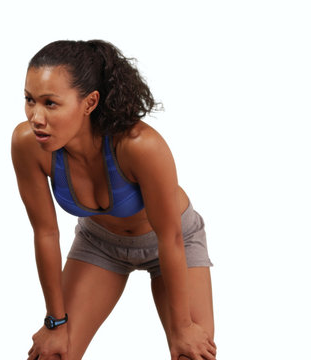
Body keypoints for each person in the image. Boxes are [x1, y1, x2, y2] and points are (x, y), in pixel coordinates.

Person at [11, 40, 216, 360]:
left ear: (89, 102)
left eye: (50, 103)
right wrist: (55, 322)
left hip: (174, 241)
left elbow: (171, 237)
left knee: (191, 354)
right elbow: (46, 233)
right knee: (52, 354)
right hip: (99, 243)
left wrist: (183, 327)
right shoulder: (28, 144)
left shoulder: (139, 145)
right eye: (29, 100)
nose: (36, 117)